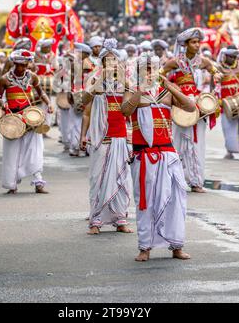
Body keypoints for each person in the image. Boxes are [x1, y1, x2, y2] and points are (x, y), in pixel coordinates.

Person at [121, 53, 195, 261]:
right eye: (145, 68)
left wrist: (172, 88)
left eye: (152, 68)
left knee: (176, 199)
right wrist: (140, 91)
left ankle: (176, 245)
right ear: (138, 72)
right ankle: (145, 247)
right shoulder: (132, 92)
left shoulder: (166, 93)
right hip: (143, 155)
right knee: (146, 202)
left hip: (168, 154)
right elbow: (124, 111)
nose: (149, 72)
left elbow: (190, 107)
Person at [80, 39, 132, 234]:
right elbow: (84, 105)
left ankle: (120, 219)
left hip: (120, 135)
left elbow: (130, 109)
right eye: (107, 61)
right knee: (98, 178)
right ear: (102, 63)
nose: (111, 64)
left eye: (114, 61)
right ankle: (96, 221)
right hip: (100, 137)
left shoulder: (125, 82)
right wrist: (83, 135)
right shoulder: (93, 80)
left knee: (122, 178)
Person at [161, 28, 222, 193]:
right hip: (180, 106)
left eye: (198, 42)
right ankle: (176, 180)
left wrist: (216, 78)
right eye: (193, 42)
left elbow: (216, 73)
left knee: (197, 144)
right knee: (178, 143)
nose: (197, 45)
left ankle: (196, 181)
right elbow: (160, 76)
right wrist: (172, 90)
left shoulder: (204, 62)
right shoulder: (174, 62)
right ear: (185, 44)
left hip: (198, 107)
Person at [0, 50, 53, 194]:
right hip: (13, 119)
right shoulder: (4, 79)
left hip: (30, 118)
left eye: (25, 64)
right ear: (15, 63)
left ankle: (38, 182)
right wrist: (2, 103)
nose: (23, 67)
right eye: (20, 65)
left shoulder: (32, 77)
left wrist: (49, 104)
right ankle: (11, 184)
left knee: (35, 149)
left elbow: (41, 93)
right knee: (11, 152)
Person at [216, 46, 239, 159]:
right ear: (225, 55)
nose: (233, 59)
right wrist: (215, 98)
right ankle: (230, 151)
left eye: (235, 56)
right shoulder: (218, 68)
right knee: (228, 127)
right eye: (231, 56)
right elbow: (214, 84)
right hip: (226, 101)